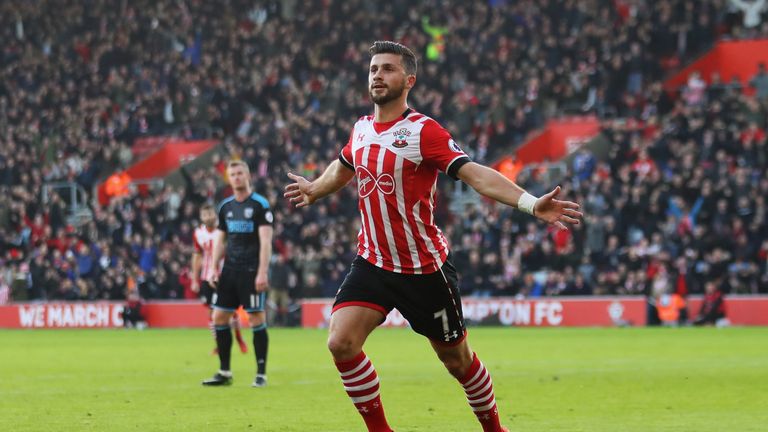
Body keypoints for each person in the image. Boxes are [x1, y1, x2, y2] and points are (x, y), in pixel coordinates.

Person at [284, 41, 582, 432]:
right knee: (340, 342)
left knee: (457, 361)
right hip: (373, 262)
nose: (377, 75)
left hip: (424, 269)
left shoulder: (423, 132)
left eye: (388, 69)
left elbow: (474, 173)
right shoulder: (360, 129)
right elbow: (343, 167)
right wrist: (314, 189)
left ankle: (495, 429)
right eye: (374, 68)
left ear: (409, 80)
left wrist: (530, 203)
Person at [202, 160, 274, 387]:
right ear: (229, 178)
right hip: (230, 271)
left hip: (251, 271)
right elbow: (220, 240)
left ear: (248, 175)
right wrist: (214, 268)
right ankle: (224, 372)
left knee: (255, 319)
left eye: (240, 173)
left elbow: (266, 242)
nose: (236, 177)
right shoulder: (225, 207)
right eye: (232, 174)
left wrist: (262, 272)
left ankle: (261, 373)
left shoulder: (260, 205)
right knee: (219, 318)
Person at [190, 203, 248, 355]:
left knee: (230, 311)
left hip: (225, 275)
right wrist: (195, 279)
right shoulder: (198, 233)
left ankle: (239, 339)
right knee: (211, 313)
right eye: (205, 214)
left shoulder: (223, 230)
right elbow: (197, 256)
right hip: (206, 277)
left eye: (210, 214)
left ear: (215, 215)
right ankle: (219, 344)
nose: (208, 217)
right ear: (201, 217)